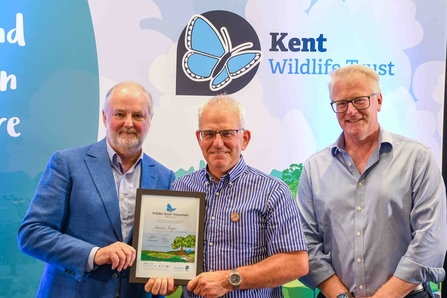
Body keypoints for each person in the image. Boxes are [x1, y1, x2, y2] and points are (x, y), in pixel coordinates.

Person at [297, 64, 447, 298]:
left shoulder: (417, 158)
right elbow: (305, 241)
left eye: (360, 100)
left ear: (378, 101)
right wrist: (340, 295)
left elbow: (430, 240)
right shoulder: (314, 168)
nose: (351, 111)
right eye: (341, 104)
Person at [18, 81, 175, 297]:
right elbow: (32, 234)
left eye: (138, 116)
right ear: (104, 117)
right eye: (120, 114)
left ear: (149, 121)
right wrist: (94, 254)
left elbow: (162, 249)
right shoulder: (67, 163)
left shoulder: (164, 176)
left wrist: (167, 272)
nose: (129, 123)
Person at [145, 95, 309, 297]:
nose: (218, 142)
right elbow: (171, 262)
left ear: (245, 138)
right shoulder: (181, 188)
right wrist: (166, 277)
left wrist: (229, 281)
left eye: (227, 133)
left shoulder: (272, 191)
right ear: (199, 138)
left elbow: (295, 263)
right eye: (209, 134)